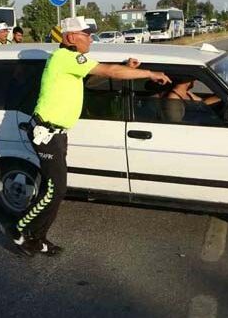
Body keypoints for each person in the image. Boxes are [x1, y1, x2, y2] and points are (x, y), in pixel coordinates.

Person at [12, 16, 171, 257]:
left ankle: (37, 238)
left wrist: (125, 65)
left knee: (53, 187)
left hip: (57, 134)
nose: (91, 39)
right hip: (47, 134)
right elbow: (109, 71)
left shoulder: (71, 61)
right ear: (70, 37)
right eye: (87, 35)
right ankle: (22, 230)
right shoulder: (65, 57)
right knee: (56, 189)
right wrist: (149, 73)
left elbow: (95, 74)